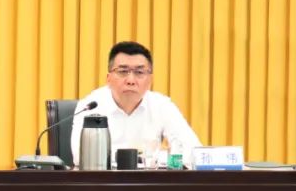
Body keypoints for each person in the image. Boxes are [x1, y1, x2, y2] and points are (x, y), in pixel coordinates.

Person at [70, 41, 202, 165]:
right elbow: (80, 156)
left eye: (139, 72)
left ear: (150, 80)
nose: (131, 80)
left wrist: (164, 161)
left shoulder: (162, 105)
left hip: (149, 180)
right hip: (102, 180)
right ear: (108, 78)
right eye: (123, 71)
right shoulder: (90, 106)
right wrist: (144, 160)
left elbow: (192, 151)